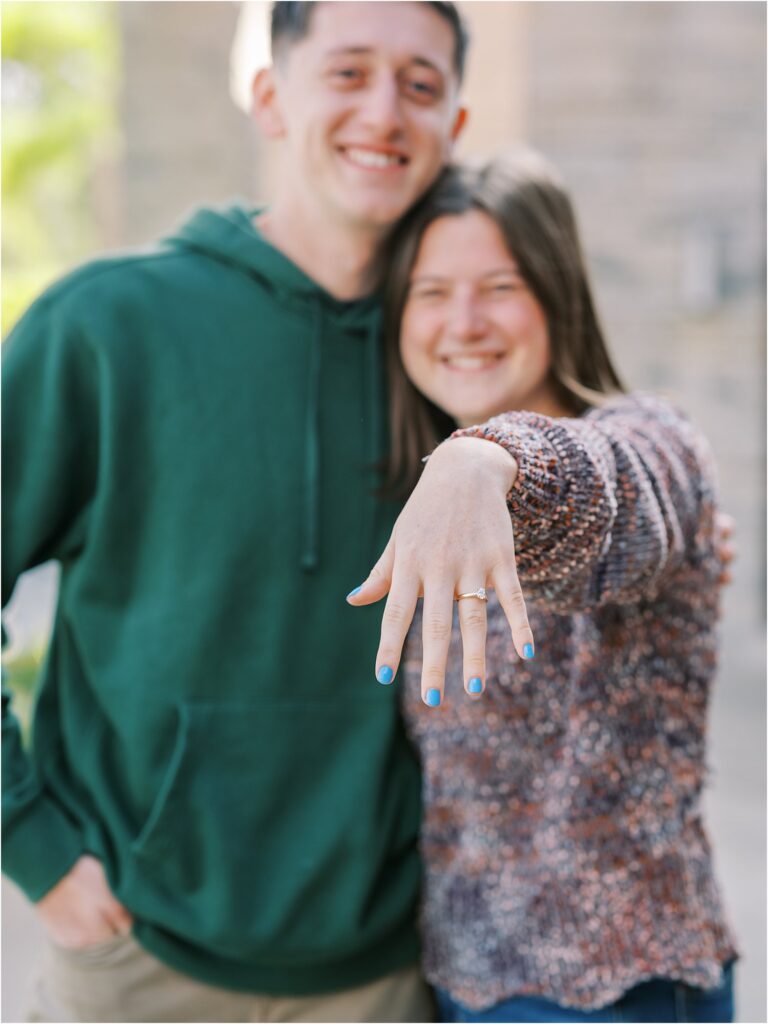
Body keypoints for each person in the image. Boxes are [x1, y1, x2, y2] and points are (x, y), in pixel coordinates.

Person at [2, 4, 470, 1021]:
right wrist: (31, 845)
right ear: (269, 94)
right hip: (134, 956)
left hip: (380, 970)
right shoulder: (106, 326)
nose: (384, 111)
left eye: (420, 84)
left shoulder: (456, 354)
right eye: (347, 73)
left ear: (456, 126)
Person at [350, 152, 739, 1022]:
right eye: (431, 291)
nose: (464, 321)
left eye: (500, 286)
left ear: (558, 293)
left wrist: (487, 460)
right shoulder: (419, 502)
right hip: (460, 975)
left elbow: (613, 490)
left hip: (613, 984)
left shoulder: (653, 441)